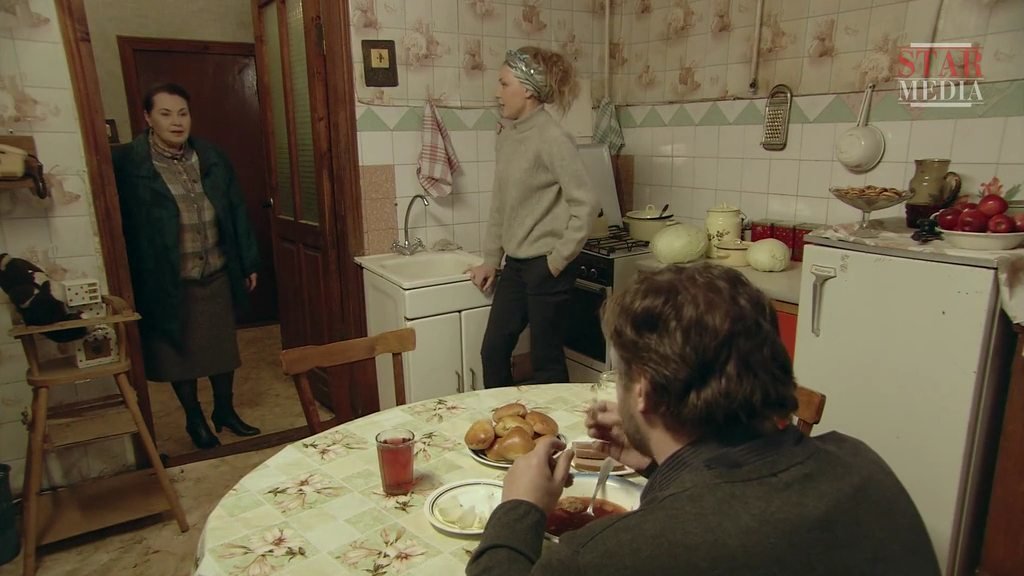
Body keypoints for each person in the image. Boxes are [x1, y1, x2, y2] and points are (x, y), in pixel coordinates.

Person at [467, 264, 940, 576]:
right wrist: (658, 464)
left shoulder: (611, 555)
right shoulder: (862, 463)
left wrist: (520, 508)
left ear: (644, 391)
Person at [112, 83, 261, 450]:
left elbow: (236, 209)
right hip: (168, 278)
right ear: (148, 117)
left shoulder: (210, 156)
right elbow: (121, 225)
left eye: (183, 113)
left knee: (222, 351)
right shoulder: (130, 163)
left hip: (216, 270)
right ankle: (194, 419)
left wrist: (247, 260)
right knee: (180, 355)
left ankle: (224, 410)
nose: (176, 122)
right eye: (165, 114)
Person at [468, 46, 598, 388]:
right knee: (493, 351)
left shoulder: (553, 138)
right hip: (515, 266)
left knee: (546, 363)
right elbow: (501, 202)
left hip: (547, 267)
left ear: (527, 89)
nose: (497, 93)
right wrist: (490, 259)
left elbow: (586, 204)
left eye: (504, 84)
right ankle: (503, 420)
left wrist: (556, 261)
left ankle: (554, 425)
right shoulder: (508, 135)